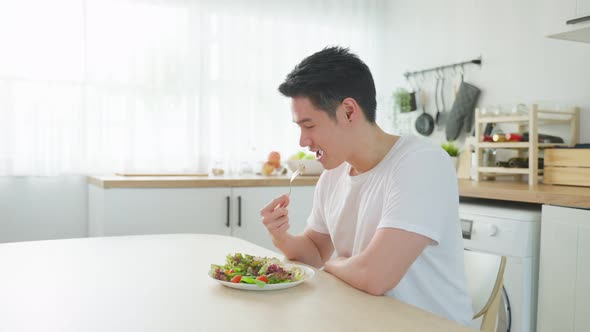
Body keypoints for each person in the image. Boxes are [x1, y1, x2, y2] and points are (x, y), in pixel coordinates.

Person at [259, 46, 473, 326]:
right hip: (362, 320)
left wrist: (332, 266)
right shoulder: (333, 176)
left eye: (309, 125)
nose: (302, 141)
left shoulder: (421, 163)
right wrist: (281, 236)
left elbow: (374, 277)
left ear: (348, 111)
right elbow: (313, 251)